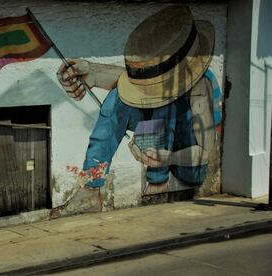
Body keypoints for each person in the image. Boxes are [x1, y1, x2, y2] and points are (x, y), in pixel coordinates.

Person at [57, 5, 216, 195]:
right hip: (157, 140)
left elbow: (205, 153)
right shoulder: (156, 77)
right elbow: (133, 81)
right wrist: (90, 70)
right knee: (117, 97)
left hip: (188, 165)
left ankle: (157, 184)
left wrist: (170, 158)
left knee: (167, 106)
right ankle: (92, 180)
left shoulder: (201, 87)